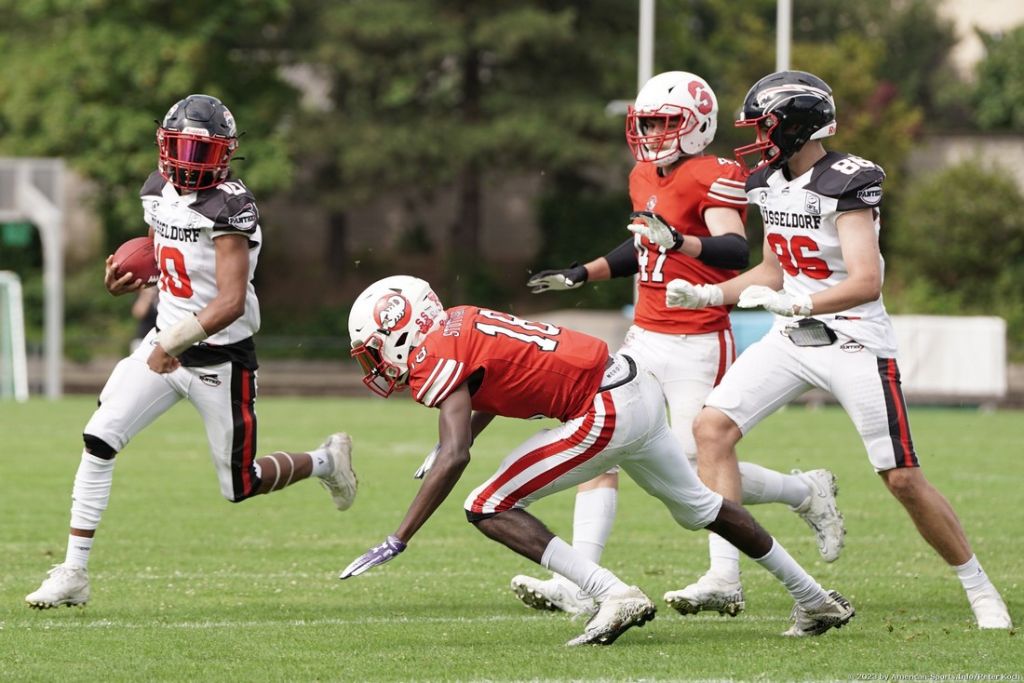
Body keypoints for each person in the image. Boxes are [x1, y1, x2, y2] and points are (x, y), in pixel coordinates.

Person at [665, 70, 1012, 629]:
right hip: (791, 337)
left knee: (901, 478)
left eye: (764, 125)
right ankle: (724, 576)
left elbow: (866, 280)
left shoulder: (848, 181)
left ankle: (979, 588)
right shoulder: (766, 182)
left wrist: (802, 306)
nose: (757, 137)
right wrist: (708, 292)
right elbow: (774, 272)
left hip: (852, 337)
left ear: (795, 125)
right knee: (711, 430)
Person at [339, 275, 854, 645]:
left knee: (484, 504)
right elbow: (485, 389)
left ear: (399, 327)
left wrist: (399, 536)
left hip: (602, 407)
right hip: (631, 381)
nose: (377, 362)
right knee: (701, 506)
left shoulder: (433, 353)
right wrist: (446, 443)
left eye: (373, 350)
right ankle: (813, 598)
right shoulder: (457, 321)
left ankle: (609, 592)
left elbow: (458, 455)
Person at [504, 71, 844, 619]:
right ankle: (580, 582)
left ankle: (778, 517)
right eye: (648, 122)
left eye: (665, 122)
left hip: (697, 339)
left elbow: (734, 249)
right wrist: (581, 273)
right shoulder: (644, 173)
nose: (654, 133)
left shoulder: (713, 173)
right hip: (645, 337)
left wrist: (680, 239)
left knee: (694, 462)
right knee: (601, 444)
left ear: (696, 125)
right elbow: (643, 247)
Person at [25, 94, 358, 609]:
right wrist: (135, 282)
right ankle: (73, 571)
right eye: (182, 147)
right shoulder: (156, 189)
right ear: (164, 143)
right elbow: (169, 257)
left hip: (219, 359)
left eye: (202, 151)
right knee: (99, 440)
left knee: (239, 485)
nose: (189, 160)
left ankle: (325, 462)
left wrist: (171, 344)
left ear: (224, 155)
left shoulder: (231, 206)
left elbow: (227, 302)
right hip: (163, 343)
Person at [129, 286, 158, 352]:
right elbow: (139, 313)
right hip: (143, 339)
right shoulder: (143, 297)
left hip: (161, 341)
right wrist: (147, 295)